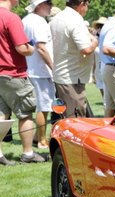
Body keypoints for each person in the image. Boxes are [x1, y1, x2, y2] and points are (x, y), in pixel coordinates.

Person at [0, 0, 48, 164]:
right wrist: (32, 47)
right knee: (25, 113)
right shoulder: (11, 18)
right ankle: (28, 153)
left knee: (1, 115)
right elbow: (22, 48)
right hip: (13, 73)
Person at [50, 0, 98, 119]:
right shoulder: (75, 20)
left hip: (61, 75)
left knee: (63, 117)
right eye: (87, 5)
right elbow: (86, 49)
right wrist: (95, 43)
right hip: (72, 78)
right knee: (75, 120)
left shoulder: (57, 18)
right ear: (82, 3)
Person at [22, 0, 54, 150]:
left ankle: (36, 137)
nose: (51, 6)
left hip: (29, 68)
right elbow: (41, 48)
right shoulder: (39, 21)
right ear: (40, 5)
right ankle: (41, 140)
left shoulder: (26, 19)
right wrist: (53, 67)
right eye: (49, 3)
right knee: (44, 106)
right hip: (40, 71)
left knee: (36, 106)